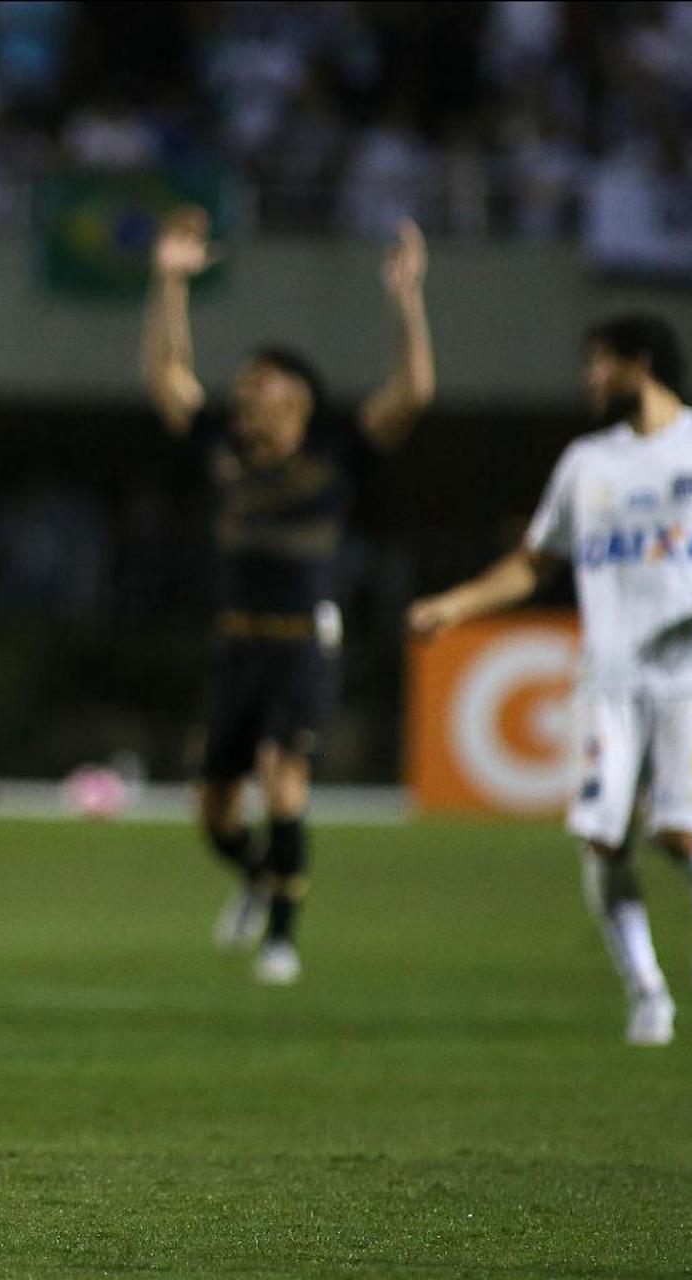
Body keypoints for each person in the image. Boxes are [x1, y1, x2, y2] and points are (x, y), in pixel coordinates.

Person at [408, 313, 692, 1046]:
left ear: (642, 362)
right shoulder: (586, 463)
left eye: (600, 363)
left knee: (679, 833)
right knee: (601, 839)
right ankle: (647, 992)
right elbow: (537, 562)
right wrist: (457, 603)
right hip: (610, 680)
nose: (588, 378)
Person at [141, 207, 435, 984]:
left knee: (284, 776)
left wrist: (407, 296)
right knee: (213, 811)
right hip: (236, 640)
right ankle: (254, 871)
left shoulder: (338, 451)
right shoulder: (224, 449)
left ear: (298, 396)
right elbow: (168, 382)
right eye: (242, 386)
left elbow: (412, 392)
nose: (245, 396)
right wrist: (168, 283)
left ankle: (280, 939)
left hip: (305, 638)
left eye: (260, 384)